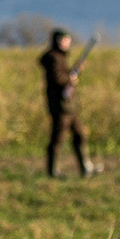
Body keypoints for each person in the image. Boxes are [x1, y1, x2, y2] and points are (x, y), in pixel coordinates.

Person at [39, 28, 96, 179]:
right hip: (60, 106)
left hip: (68, 106)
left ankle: (85, 167)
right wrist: (71, 79)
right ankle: (53, 171)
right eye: (65, 40)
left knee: (79, 135)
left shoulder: (59, 57)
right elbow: (58, 79)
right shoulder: (53, 58)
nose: (67, 43)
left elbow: (64, 76)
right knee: (58, 138)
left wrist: (76, 71)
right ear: (58, 41)